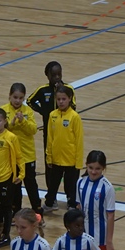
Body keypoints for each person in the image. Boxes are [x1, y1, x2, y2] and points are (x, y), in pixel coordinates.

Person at [28, 61, 76, 210]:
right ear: (47, 75)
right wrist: (43, 111)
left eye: (59, 74)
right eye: (53, 75)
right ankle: (52, 197)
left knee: (68, 168)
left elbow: (74, 106)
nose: (56, 77)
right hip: (49, 134)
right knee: (50, 166)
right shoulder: (42, 90)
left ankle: (70, 198)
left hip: (66, 136)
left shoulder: (68, 89)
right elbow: (29, 101)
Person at [4, 82, 43, 216]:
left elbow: (33, 130)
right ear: (9, 96)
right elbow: (0, 131)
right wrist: (11, 124)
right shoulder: (4, 111)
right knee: (15, 187)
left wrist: (23, 122)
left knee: (31, 185)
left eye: (21, 98)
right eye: (15, 97)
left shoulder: (28, 111)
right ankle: (16, 213)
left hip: (27, 155)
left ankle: (38, 212)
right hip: (12, 156)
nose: (17, 100)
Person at [0, 108, 23, 249]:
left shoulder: (11, 137)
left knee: (7, 208)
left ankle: (6, 235)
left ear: (5, 121)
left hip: (6, 178)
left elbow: (19, 157)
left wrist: (21, 174)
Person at [45, 86, 83, 212]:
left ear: (70, 99)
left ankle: (71, 203)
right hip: (56, 158)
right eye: (58, 99)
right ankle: (50, 203)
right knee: (53, 184)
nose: (61, 102)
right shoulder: (52, 115)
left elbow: (79, 140)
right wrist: (49, 156)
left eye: (64, 99)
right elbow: (50, 138)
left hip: (70, 159)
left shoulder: (74, 117)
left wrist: (78, 162)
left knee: (70, 185)